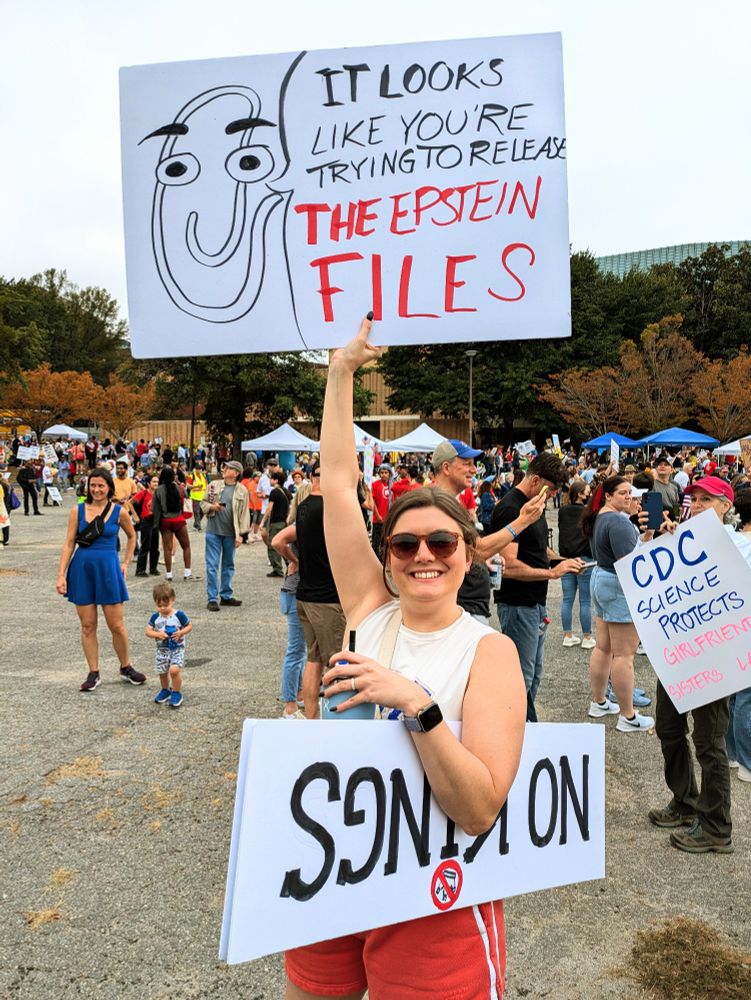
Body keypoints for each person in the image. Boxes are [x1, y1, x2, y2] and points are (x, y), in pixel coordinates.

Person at [283, 315, 526, 1000]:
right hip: (334, 864)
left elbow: (479, 810)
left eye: (443, 544)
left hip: (433, 892)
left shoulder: (490, 650)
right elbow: (336, 485)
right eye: (404, 544)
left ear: (468, 551)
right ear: (386, 556)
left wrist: (417, 706)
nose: (423, 555)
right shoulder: (368, 608)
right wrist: (340, 373)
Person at [648, 475, 735, 853]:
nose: (697, 505)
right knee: (668, 726)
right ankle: (685, 800)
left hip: (716, 658)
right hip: (679, 654)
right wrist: (661, 544)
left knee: (709, 742)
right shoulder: (680, 543)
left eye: (707, 499)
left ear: (725, 506)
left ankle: (716, 827)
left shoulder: (739, 545)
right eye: (694, 499)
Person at [489, 453, 584, 721]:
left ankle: (525, 730)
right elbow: (509, 565)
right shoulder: (511, 509)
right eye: (552, 488)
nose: (553, 494)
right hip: (518, 603)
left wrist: (562, 559)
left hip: (533, 603)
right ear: (536, 480)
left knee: (534, 674)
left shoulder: (533, 505)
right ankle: (522, 731)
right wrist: (552, 573)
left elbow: (537, 546)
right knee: (522, 678)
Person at [55, 467, 146, 692]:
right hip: (82, 569)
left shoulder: (119, 511)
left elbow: (132, 536)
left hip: (108, 569)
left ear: (108, 488)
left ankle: (126, 666)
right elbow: (69, 543)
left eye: (100, 486)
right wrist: (61, 574)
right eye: (92, 485)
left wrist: (125, 562)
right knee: (88, 625)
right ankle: (93, 672)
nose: (96, 489)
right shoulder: (77, 511)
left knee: (117, 625)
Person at [580, 477, 657, 733]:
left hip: (602, 578)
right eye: (623, 493)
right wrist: (648, 537)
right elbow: (632, 564)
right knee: (624, 655)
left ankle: (600, 701)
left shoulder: (602, 516)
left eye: (631, 493)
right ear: (608, 496)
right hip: (617, 584)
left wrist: (645, 535)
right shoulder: (618, 522)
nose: (629, 498)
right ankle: (628, 715)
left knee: (604, 648)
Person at [272, 462, 346, 718]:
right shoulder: (333, 508)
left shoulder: (303, 507)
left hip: (304, 594)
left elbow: (278, 541)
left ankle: (312, 717)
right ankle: (336, 718)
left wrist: (296, 561)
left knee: (313, 660)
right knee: (336, 663)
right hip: (327, 598)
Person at [200, 460, 250, 611]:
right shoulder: (214, 485)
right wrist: (212, 507)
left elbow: (244, 514)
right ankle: (212, 598)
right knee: (212, 566)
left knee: (228, 565)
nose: (225, 469)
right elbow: (203, 503)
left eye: (228, 468)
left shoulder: (242, 490)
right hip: (213, 531)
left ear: (236, 473)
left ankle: (226, 596)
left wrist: (241, 535)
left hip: (231, 534)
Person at [558, 479, 595, 649]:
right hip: (584, 559)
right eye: (587, 491)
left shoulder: (563, 511)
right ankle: (587, 636)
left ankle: (568, 634)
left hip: (566, 557)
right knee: (585, 600)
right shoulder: (588, 512)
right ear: (580, 494)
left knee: (567, 599)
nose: (589, 493)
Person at [145, 582, 192, 709]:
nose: (163, 608)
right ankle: (165, 690)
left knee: (174, 670)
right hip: (162, 650)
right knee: (162, 671)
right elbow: (147, 631)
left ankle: (176, 692)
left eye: (166, 605)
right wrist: (157, 634)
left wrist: (181, 632)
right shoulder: (155, 617)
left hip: (177, 648)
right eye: (159, 605)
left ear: (173, 601)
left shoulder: (179, 615)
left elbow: (189, 626)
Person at [152, 466, 193, 582]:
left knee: (167, 549)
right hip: (179, 519)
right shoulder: (179, 488)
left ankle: (169, 574)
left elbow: (154, 508)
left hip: (165, 521)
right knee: (186, 546)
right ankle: (187, 572)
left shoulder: (158, 490)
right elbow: (186, 495)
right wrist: (179, 483)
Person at [260, 469, 290, 577]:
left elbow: (269, 508)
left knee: (272, 545)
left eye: (271, 478)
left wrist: (263, 522)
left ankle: (277, 569)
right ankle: (289, 563)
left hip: (275, 522)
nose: (270, 480)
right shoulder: (286, 492)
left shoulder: (274, 492)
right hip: (284, 522)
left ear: (276, 480)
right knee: (283, 544)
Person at [133, 473, 161, 577]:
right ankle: (140, 570)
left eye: (157, 482)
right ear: (149, 483)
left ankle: (153, 568)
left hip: (155, 521)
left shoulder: (158, 494)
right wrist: (136, 516)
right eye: (154, 482)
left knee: (155, 546)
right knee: (145, 546)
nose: (156, 483)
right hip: (146, 521)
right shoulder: (143, 493)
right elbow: (129, 503)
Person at [187, 461, 207, 531]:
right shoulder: (191, 476)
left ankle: (196, 523)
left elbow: (206, 484)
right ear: (195, 469)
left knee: (203, 511)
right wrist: (196, 486)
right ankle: (198, 526)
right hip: (195, 496)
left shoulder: (203, 475)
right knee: (197, 512)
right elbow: (188, 486)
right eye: (198, 469)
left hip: (203, 497)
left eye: (200, 469)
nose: (199, 470)